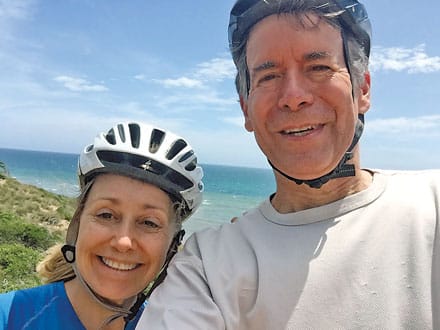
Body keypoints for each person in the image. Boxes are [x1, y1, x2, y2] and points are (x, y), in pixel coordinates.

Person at [136, 1, 440, 329]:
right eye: (269, 76)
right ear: (245, 109)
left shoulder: (432, 204)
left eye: (319, 67)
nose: (293, 96)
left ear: (362, 88)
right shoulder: (207, 266)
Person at [0, 121, 204, 329]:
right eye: (106, 215)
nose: (123, 241)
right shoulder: (10, 316)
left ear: (173, 244)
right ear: (77, 222)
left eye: (149, 222)